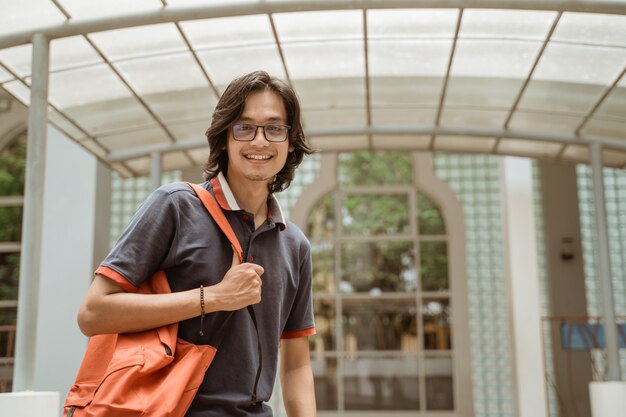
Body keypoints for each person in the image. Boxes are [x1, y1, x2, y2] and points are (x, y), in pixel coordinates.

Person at [77, 70, 317, 416]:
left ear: (290, 141)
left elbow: (295, 364)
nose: (260, 141)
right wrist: (214, 297)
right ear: (224, 138)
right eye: (244, 127)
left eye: (275, 128)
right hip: (167, 409)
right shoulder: (175, 205)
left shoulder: (294, 244)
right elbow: (93, 313)